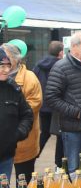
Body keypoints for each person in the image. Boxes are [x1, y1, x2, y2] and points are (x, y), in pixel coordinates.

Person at [45, 31, 81, 175]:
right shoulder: (61, 67)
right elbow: (51, 97)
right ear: (73, 46)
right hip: (72, 129)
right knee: (73, 169)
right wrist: (75, 112)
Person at [2, 43, 43, 184]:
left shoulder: (29, 78)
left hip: (24, 142)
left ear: (14, 59)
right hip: (4, 147)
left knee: (23, 178)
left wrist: (15, 130)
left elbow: (33, 106)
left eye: (6, 57)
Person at [0, 48, 33, 180]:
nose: (6, 70)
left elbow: (27, 114)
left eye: (8, 66)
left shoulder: (14, 89)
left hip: (6, 156)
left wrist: (18, 133)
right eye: (2, 66)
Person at [33, 41, 64, 168]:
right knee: (60, 135)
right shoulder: (61, 65)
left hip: (43, 106)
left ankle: (34, 155)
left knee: (44, 133)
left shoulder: (38, 65)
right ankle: (59, 164)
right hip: (56, 106)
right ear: (61, 52)